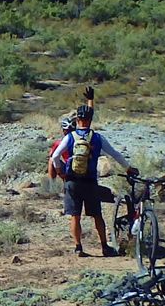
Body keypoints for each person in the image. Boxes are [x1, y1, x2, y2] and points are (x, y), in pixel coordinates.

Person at [50, 98, 137, 257]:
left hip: (72, 181)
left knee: (75, 216)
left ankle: (78, 247)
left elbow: (55, 156)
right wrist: (128, 168)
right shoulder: (97, 138)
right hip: (90, 182)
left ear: (77, 120)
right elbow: (115, 154)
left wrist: (61, 172)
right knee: (97, 215)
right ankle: (104, 246)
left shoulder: (70, 137)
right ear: (90, 120)